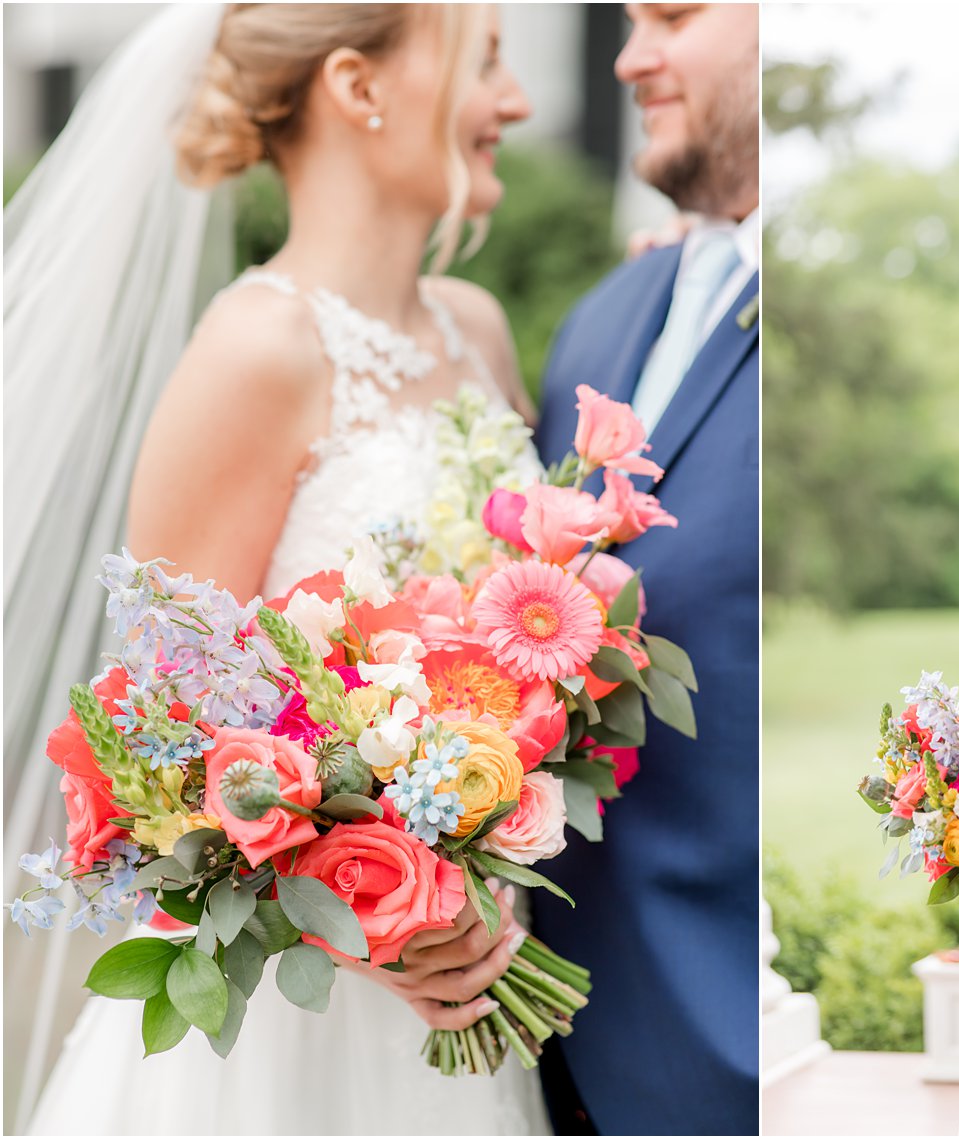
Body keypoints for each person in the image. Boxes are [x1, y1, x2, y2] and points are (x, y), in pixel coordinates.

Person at [8, 4, 552, 1132]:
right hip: (291, 1018)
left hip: (468, 977)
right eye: (485, 61)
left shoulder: (476, 328)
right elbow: (161, 762)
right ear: (358, 86)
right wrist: (357, 915)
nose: (516, 102)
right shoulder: (255, 351)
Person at [531, 4, 760, 1135]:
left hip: (744, 1064)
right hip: (548, 1061)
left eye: (673, 12)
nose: (629, 57)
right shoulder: (603, 319)